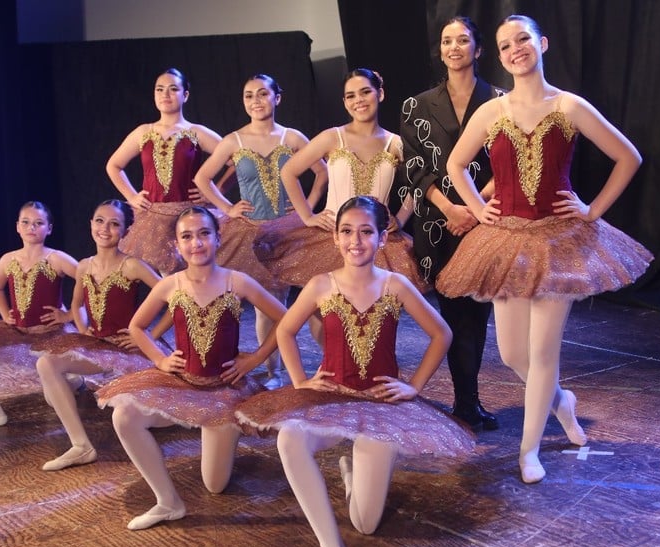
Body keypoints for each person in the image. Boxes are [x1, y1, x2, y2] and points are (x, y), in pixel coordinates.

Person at [436, 15, 653, 483]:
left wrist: (592, 210)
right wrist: (478, 207)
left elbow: (628, 157)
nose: (515, 49)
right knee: (513, 353)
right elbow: (455, 164)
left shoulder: (569, 106)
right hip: (506, 242)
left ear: (542, 44)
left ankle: (528, 451)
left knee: (543, 352)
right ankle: (563, 403)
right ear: (498, 55)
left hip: (559, 241)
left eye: (523, 40)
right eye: (505, 45)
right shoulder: (492, 112)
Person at [237, 196, 475, 547]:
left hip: (381, 404)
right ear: (334, 238)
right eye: (347, 231)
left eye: (366, 232)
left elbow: (441, 333)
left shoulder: (396, 285)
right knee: (289, 439)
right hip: (330, 398)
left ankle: (354, 472)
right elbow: (285, 329)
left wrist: (413, 386)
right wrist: (299, 380)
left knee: (365, 522)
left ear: (382, 238)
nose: (356, 241)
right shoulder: (320, 285)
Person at [95, 206, 286, 530]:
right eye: (187, 236)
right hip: (183, 383)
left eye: (203, 234)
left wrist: (254, 359)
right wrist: (160, 360)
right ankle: (167, 502)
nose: (196, 243)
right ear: (177, 244)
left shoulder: (236, 281)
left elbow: (285, 320)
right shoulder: (171, 285)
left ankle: (221, 428)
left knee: (214, 485)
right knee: (124, 415)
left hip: (224, 391)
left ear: (217, 237)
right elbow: (137, 327)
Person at [400, 16, 503, 431]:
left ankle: (467, 402)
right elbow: (414, 168)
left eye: (463, 40)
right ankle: (465, 401)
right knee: (452, 316)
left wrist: (475, 208)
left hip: (486, 221)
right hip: (437, 223)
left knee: (477, 317)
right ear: (440, 50)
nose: (454, 47)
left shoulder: (500, 100)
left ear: (478, 50)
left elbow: (507, 163)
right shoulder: (417, 105)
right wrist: (451, 209)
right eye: (447, 41)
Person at [193, 73, 328, 386]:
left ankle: (324, 363)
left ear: (276, 98)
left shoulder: (291, 138)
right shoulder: (234, 141)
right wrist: (227, 208)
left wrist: (305, 207)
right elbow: (203, 178)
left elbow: (321, 172)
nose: (255, 101)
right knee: (267, 307)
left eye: (262, 94)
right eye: (249, 95)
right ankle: (274, 372)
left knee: (311, 303)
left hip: (290, 230)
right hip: (251, 233)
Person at [254, 68, 429, 294]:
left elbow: (420, 181)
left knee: (373, 308)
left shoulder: (395, 143)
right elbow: (289, 171)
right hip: (331, 237)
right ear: (345, 102)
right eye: (351, 96)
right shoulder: (332, 137)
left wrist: (401, 217)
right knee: (325, 307)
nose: (359, 100)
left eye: (365, 92)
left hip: (375, 242)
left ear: (380, 94)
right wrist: (307, 216)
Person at [32, 200, 168, 471]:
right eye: (100, 221)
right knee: (46, 362)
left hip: (128, 349)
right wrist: (83, 332)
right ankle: (81, 445)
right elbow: (77, 304)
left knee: (160, 410)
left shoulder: (132, 266)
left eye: (114, 223)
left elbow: (174, 296)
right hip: (99, 346)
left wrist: (149, 334)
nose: (105, 228)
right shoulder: (84, 266)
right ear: (91, 224)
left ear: (125, 231)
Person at [0, 201, 78, 428]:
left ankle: (72, 379)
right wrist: (5, 315)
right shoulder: (8, 259)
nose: (32, 227)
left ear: (49, 228)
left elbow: (90, 283)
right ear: (18, 227)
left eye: (39, 223)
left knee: (53, 401)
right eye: (26, 222)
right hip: (19, 333)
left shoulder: (56, 258)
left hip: (51, 336)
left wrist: (69, 314)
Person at [106, 68, 223, 275]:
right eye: (159, 89)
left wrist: (215, 191)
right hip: (154, 216)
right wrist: (131, 196)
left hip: (189, 213)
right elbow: (114, 165)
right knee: (168, 279)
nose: (165, 94)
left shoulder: (196, 132)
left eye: (173, 89)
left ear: (185, 95)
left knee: (197, 272)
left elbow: (237, 160)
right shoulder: (144, 132)